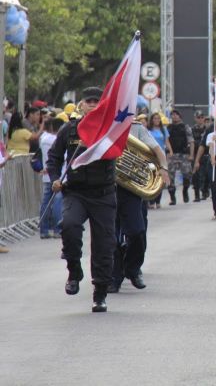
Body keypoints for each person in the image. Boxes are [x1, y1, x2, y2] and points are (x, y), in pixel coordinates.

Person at [46, 87, 117, 313]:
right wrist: (56, 178)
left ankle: (100, 293)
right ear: (82, 105)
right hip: (76, 191)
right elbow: (54, 158)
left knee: (104, 244)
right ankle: (74, 270)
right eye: (89, 101)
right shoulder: (69, 129)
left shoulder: (110, 131)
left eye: (97, 101)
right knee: (69, 226)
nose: (93, 105)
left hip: (103, 193)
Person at [110, 117, 170, 293]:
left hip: (130, 188)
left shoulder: (136, 128)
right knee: (111, 237)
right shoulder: (102, 125)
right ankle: (114, 277)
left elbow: (156, 149)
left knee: (137, 232)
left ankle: (132, 268)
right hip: (106, 188)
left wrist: (164, 168)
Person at [38, 117, 65, 239]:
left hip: (47, 174)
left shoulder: (43, 138)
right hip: (57, 175)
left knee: (46, 202)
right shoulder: (56, 140)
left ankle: (44, 229)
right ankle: (57, 229)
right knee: (58, 202)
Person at [167, 110, 194, 205]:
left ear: (180, 116)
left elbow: (191, 141)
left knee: (187, 174)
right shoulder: (168, 128)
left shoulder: (185, 127)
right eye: (172, 115)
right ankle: (172, 197)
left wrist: (191, 155)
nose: (174, 117)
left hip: (183, 154)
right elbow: (166, 141)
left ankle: (185, 190)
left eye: (176, 115)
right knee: (170, 177)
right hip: (172, 154)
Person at [147, 112, 172, 209]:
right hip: (151, 155)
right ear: (152, 120)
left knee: (161, 177)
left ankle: (158, 201)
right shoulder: (148, 130)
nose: (156, 120)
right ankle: (151, 200)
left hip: (161, 156)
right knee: (152, 176)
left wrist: (170, 152)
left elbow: (167, 142)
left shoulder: (163, 129)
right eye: (154, 118)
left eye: (158, 118)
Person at [191, 110, 209, 202]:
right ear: (195, 118)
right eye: (198, 117)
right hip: (195, 154)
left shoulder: (207, 129)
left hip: (205, 154)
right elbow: (190, 141)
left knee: (205, 174)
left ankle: (205, 191)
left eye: (202, 117)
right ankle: (197, 195)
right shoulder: (192, 129)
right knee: (195, 176)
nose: (200, 119)